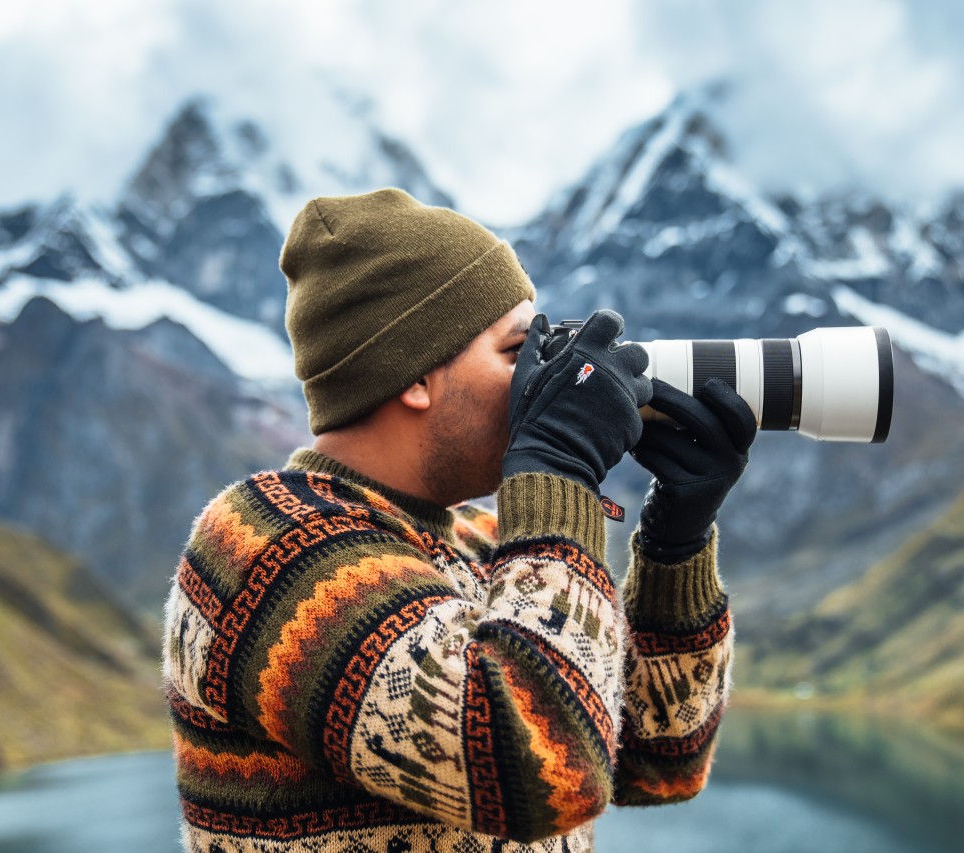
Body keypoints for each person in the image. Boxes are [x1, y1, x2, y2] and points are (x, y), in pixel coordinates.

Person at [163, 188, 756, 852]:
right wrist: (556, 467)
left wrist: (676, 540)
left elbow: (658, 761)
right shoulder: (265, 547)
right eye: (515, 352)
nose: (541, 381)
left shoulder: (483, 542)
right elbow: (540, 766)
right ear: (414, 374)